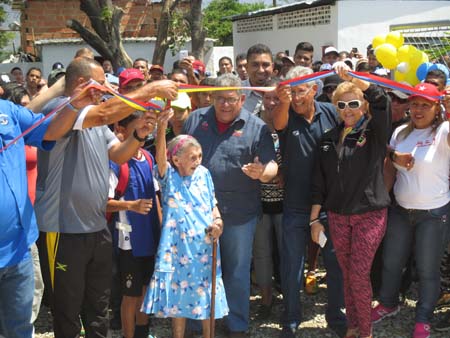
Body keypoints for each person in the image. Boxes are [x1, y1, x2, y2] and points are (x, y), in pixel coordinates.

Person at [34, 57, 178, 338]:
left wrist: (138, 134)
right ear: (80, 83)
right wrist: (150, 90)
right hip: (62, 231)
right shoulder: (60, 110)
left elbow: (118, 154)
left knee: (98, 308)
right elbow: (103, 115)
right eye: (101, 84)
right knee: (67, 311)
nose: (106, 90)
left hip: (97, 229)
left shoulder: (97, 120)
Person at [0, 74, 96, 338]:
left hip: (19, 248)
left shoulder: (8, 112)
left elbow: (50, 129)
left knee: (20, 328)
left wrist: (76, 104)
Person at [183, 73, 278, 337]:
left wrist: (263, 172)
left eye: (231, 99)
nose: (225, 105)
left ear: (242, 99)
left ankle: (236, 324)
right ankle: (197, 323)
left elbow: (271, 165)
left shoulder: (257, 127)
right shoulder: (195, 120)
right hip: (198, 213)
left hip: (239, 213)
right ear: (211, 97)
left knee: (236, 271)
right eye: (220, 99)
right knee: (198, 268)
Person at [310, 62, 391, 338]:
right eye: (341, 105)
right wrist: (315, 219)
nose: (348, 110)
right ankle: (353, 326)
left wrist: (357, 79)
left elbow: (381, 102)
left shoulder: (375, 131)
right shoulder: (328, 138)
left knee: (358, 274)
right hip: (338, 216)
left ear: (364, 105)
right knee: (347, 275)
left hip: (369, 214)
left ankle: (365, 332)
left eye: (354, 103)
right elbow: (320, 183)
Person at [273, 66, 346, 338]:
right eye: (291, 92)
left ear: (314, 89)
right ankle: (291, 318)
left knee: (335, 263)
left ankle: (336, 316)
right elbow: (278, 123)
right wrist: (282, 100)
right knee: (292, 264)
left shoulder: (330, 112)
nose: (295, 98)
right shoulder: (286, 113)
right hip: (295, 204)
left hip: (329, 206)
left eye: (300, 91)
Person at [372, 83, 449, 338]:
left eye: (425, 104)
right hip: (401, 210)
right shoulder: (401, 133)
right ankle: (388, 303)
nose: (418, 109)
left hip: (433, 214)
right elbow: (390, 162)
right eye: (414, 103)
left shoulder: (444, 130)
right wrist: (396, 160)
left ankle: (423, 317)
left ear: (436, 107)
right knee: (392, 263)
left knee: (428, 269)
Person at [142, 110, 228, 338]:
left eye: (199, 156)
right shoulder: (169, 176)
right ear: (176, 159)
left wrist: (218, 222)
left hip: (204, 245)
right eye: (192, 157)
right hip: (176, 247)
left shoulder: (204, 174)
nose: (197, 161)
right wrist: (161, 128)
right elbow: (160, 157)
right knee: (177, 297)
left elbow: (213, 204)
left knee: (207, 295)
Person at [107, 111, 161, 338]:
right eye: (138, 129)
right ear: (121, 130)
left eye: (146, 129)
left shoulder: (148, 158)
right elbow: (103, 204)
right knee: (130, 295)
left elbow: (155, 196)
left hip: (151, 237)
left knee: (146, 292)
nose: (144, 133)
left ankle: (142, 332)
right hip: (128, 241)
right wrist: (131, 205)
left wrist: (162, 231)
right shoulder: (116, 163)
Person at [252, 79, 284, 319]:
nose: (272, 102)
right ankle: (265, 299)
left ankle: (290, 298)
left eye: (277, 98)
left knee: (288, 252)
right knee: (261, 253)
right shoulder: (251, 126)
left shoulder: (289, 124)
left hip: (287, 205)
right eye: (268, 98)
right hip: (258, 205)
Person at [242, 44, 274, 115]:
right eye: (255, 65)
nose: (261, 70)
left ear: (272, 67)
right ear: (247, 67)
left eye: (265, 65)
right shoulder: (236, 92)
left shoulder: (281, 91)